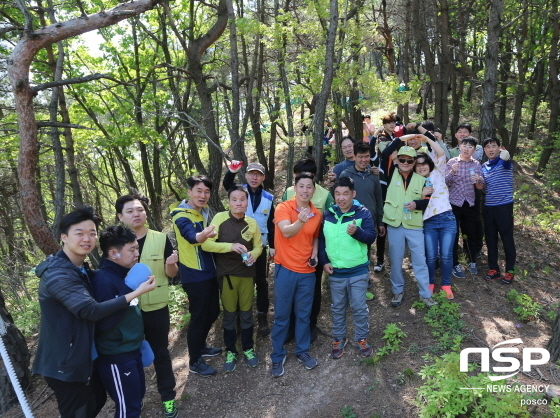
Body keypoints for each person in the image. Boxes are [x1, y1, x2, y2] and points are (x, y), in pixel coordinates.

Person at [33, 207, 155, 418]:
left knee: (96, 402)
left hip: (85, 356)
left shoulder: (82, 270)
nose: (87, 238)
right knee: (80, 412)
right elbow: (89, 310)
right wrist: (134, 292)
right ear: (64, 237)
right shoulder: (57, 274)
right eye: (79, 233)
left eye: (92, 233)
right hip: (65, 364)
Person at [115, 194, 179, 418]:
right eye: (130, 211)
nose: (136, 214)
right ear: (120, 216)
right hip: (126, 311)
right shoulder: (114, 244)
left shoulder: (160, 239)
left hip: (156, 306)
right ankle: (134, 399)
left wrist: (171, 265)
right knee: (130, 357)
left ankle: (168, 398)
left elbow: (171, 274)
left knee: (160, 353)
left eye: (140, 210)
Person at [201, 186, 263, 372]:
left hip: (246, 275)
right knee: (229, 314)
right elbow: (206, 244)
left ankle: (248, 348)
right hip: (226, 275)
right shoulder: (219, 218)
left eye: (242, 199)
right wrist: (230, 246)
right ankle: (231, 350)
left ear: (247, 202)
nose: (238, 202)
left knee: (246, 312)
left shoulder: (252, 223)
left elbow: (259, 246)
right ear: (229, 202)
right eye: (234, 199)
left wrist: (253, 254)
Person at [93, 226, 152, 418]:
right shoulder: (103, 279)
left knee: (136, 399)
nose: (137, 253)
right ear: (113, 253)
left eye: (137, 248)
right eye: (132, 250)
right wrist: (131, 290)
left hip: (130, 351)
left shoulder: (123, 273)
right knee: (128, 408)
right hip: (116, 357)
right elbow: (102, 323)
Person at [318, 177, 377, 359]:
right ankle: (339, 338)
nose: (341, 198)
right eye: (337, 193)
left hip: (358, 270)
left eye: (345, 193)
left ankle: (361, 338)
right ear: (333, 195)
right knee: (337, 307)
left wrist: (357, 232)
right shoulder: (328, 214)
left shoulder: (362, 213)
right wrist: (324, 261)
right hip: (336, 272)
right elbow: (321, 241)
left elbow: (371, 238)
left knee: (358, 306)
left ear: (353, 194)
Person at [271, 172, 322, 377]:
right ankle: (277, 355)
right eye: (301, 186)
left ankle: (302, 351)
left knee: (304, 315)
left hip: (307, 272)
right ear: (295, 188)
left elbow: (315, 236)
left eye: (309, 186)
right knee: (282, 315)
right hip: (285, 269)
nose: (305, 190)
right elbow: (286, 232)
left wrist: (315, 253)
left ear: (314, 190)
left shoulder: (316, 214)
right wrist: (300, 221)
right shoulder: (283, 207)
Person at [170, 175, 222, 377]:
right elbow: (191, 236)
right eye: (199, 191)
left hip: (209, 271)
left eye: (206, 192)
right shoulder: (180, 215)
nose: (203, 195)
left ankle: (201, 347)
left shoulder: (202, 213)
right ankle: (195, 360)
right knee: (199, 317)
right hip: (193, 273)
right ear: (189, 192)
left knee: (213, 311)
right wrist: (203, 235)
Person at [381, 143, 438, 308]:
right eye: (402, 159)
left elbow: (427, 202)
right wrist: (405, 137)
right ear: (397, 160)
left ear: (414, 163)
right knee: (396, 259)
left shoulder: (422, 179)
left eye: (409, 160)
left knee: (420, 260)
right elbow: (385, 153)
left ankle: (425, 294)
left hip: (414, 224)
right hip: (394, 224)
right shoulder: (390, 173)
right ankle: (397, 291)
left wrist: (417, 203)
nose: (405, 163)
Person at [282, 157, 333, 342]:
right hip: (291, 251)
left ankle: (310, 326)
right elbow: (281, 222)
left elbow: (328, 224)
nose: (304, 188)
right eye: (298, 176)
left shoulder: (325, 195)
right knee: (291, 292)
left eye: (307, 177)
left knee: (313, 290)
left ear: (314, 176)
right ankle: (290, 327)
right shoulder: (288, 192)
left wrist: (322, 253)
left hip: (314, 249)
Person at [223, 161, 275, 337]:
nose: (255, 177)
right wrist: (231, 171)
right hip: (239, 246)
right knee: (240, 280)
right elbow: (226, 185)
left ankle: (262, 316)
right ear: (246, 175)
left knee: (261, 281)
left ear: (263, 177)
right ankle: (238, 317)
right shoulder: (240, 191)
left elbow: (271, 223)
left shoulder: (269, 198)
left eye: (258, 174)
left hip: (259, 247)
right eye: (252, 173)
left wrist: (273, 246)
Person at [340, 141, 386, 298]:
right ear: (354, 156)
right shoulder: (346, 175)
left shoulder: (373, 176)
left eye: (367, 157)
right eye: (360, 157)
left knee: (365, 252)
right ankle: (348, 283)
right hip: (350, 221)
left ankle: (363, 282)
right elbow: (339, 198)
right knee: (350, 250)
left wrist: (380, 222)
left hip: (369, 221)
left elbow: (379, 200)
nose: (364, 160)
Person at [413, 138, 457, 299]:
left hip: (447, 218)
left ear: (429, 164)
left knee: (446, 255)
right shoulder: (413, 182)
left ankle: (446, 285)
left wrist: (425, 138)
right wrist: (421, 194)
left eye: (424, 163)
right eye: (417, 165)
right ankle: (430, 283)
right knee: (430, 256)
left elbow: (440, 152)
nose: (421, 166)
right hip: (428, 222)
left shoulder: (437, 172)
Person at [445, 137, 485, 277]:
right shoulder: (452, 162)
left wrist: (480, 181)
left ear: (474, 150)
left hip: (470, 204)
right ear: (459, 147)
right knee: (453, 235)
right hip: (454, 204)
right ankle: (454, 264)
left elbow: (481, 184)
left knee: (470, 233)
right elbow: (445, 183)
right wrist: (452, 172)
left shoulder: (476, 164)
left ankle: (471, 260)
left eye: (470, 147)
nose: (467, 149)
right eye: (465, 146)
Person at [481, 138, 517, 284]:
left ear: (499, 148)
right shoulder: (483, 166)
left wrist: (505, 152)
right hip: (488, 207)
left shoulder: (505, 162)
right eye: (488, 147)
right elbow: (482, 186)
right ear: (484, 150)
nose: (490, 149)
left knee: (507, 239)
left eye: (493, 146)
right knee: (490, 239)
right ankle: (494, 269)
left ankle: (510, 271)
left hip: (504, 206)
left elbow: (507, 155)